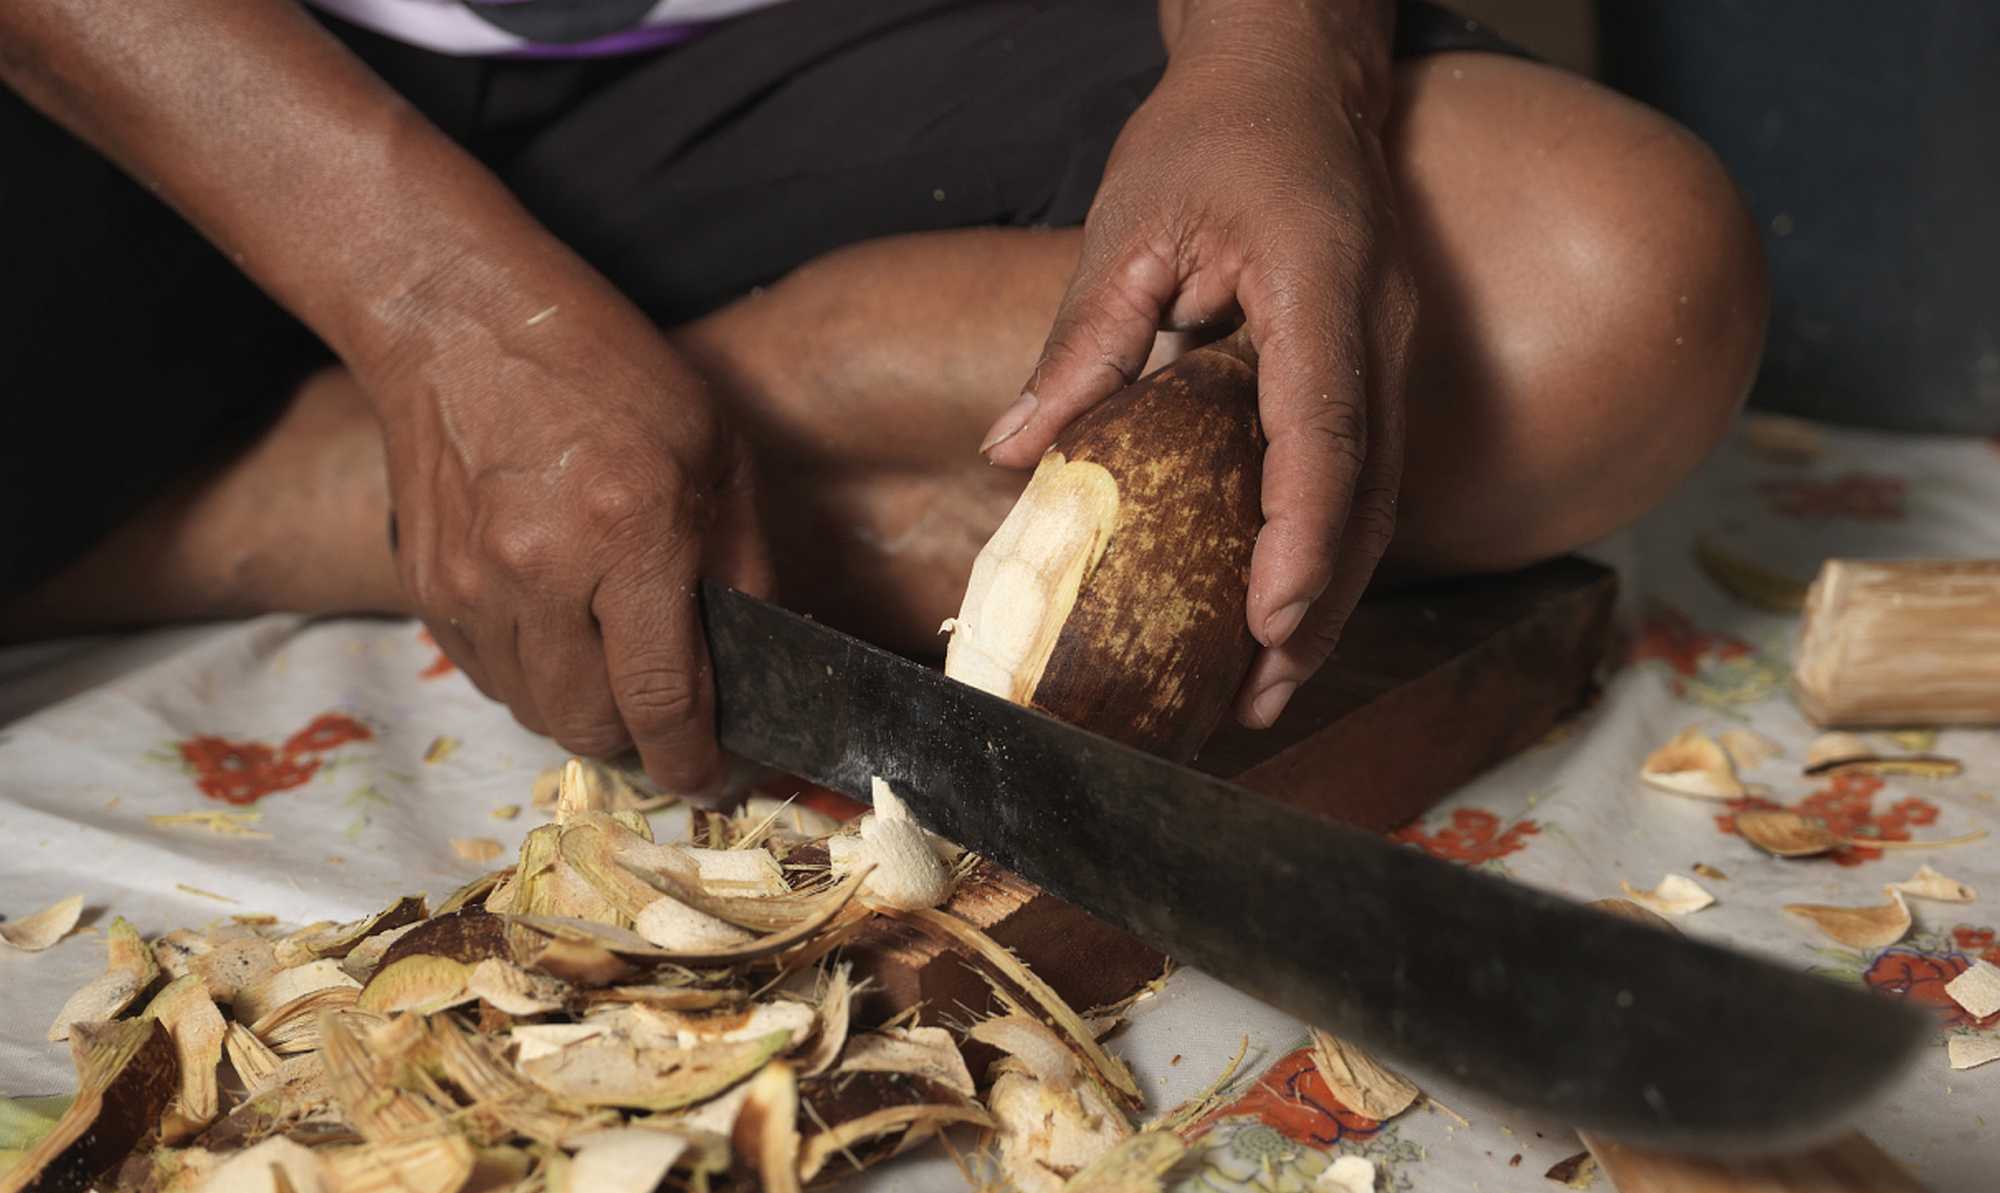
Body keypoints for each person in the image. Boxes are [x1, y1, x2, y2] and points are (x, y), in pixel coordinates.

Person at [0, 0, 1766, 798]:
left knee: (1611, 287)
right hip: (192, 63)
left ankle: (687, 413)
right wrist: (431, 304)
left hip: (833, 42)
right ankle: (332, 480)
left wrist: (1267, 58)